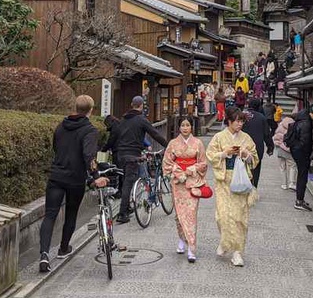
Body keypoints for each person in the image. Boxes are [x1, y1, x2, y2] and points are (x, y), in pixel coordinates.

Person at [39, 95, 108, 272]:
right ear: (91, 110)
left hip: (56, 175)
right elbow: (89, 156)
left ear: (75, 108)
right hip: (75, 178)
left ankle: (44, 255)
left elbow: (55, 147)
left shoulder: (61, 126)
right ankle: (63, 248)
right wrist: (95, 176)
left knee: (50, 215)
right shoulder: (89, 130)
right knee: (71, 213)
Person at [206, 109, 259, 267]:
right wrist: (224, 153)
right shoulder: (219, 137)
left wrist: (246, 155)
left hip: (240, 180)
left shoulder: (246, 138)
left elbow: (254, 158)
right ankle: (224, 242)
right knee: (221, 216)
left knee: (239, 218)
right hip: (224, 181)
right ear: (229, 121)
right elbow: (210, 154)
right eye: (237, 121)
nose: (240, 124)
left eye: (242, 121)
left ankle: (237, 253)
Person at [104, 95, 168, 224]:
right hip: (133, 155)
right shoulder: (141, 120)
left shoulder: (122, 120)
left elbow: (113, 138)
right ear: (141, 106)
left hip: (120, 155)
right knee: (128, 183)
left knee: (126, 181)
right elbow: (154, 134)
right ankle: (122, 214)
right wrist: (168, 145)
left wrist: (103, 150)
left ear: (132, 105)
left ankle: (126, 208)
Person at [162, 117, 208, 263]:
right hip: (178, 183)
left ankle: (192, 248)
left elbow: (203, 163)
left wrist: (192, 169)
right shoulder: (173, 143)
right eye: (182, 125)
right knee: (179, 214)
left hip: (193, 182)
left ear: (191, 127)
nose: (185, 128)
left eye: (188, 125)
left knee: (191, 214)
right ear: (179, 127)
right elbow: (167, 162)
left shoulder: (198, 143)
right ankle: (182, 239)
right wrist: (177, 172)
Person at [289, 104, 313, 211]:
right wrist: (308, 155)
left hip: (295, 150)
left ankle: (300, 200)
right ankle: (299, 201)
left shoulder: (302, 117)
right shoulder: (306, 123)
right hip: (300, 152)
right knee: (302, 175)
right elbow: (304, 142)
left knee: (302, 174)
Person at [242, 98, 274, 188]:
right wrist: (270, 147)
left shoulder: (242, 116)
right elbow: (267, 134)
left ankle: (243, 185)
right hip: (257, 146)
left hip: (243, 146)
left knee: (242, 166)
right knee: (256, 167)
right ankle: (254, 186)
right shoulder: (261, 117)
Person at [273, 113, 297, 190]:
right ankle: (291, 183)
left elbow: (276, 136)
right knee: (292, 165)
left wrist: (278, 143)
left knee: (282, 167)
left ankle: (284, 184)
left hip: (280, 148)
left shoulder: (281, 124)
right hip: (288, 149)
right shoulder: (294, 126)